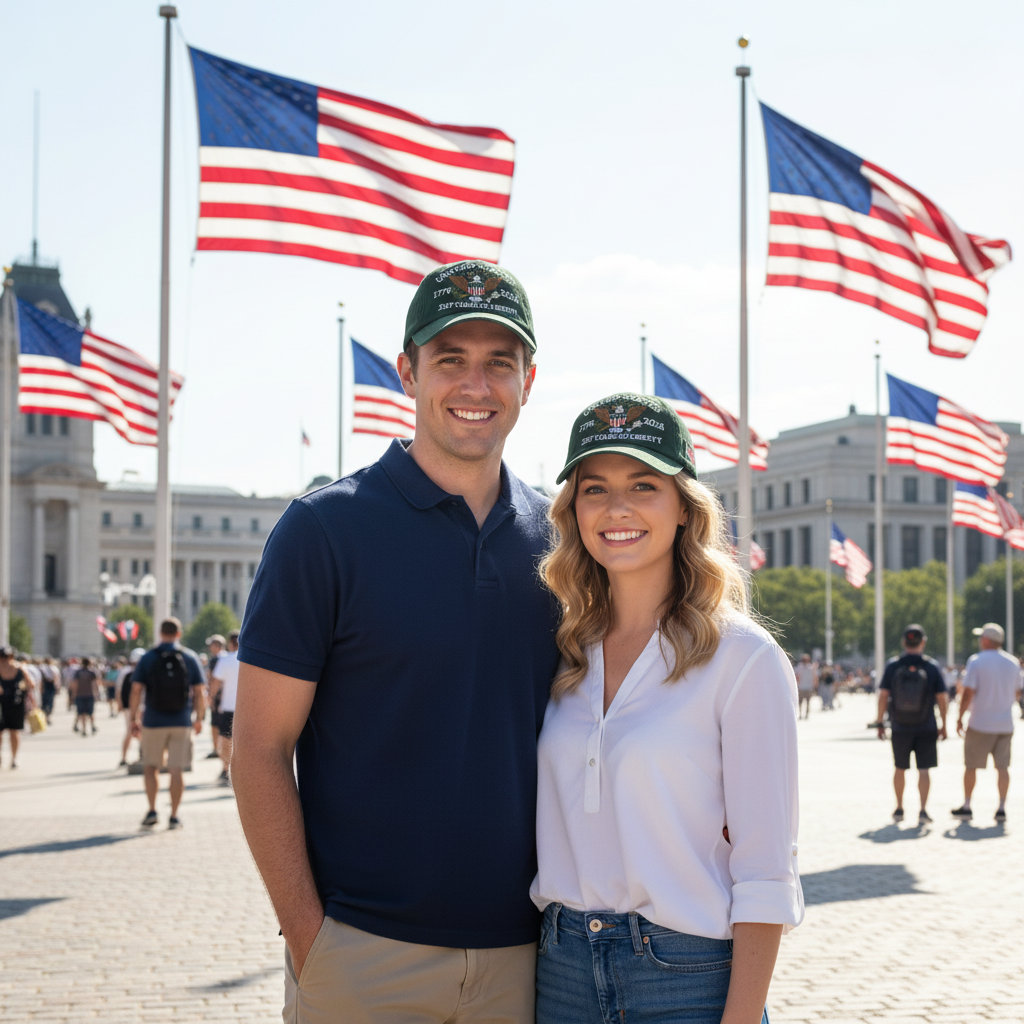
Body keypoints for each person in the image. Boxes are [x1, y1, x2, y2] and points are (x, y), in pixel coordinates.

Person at [232, 260, 559, 1024]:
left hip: (531, 959)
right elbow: (257, 749)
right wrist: (313, 938)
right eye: (451, 360)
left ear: (528, 380)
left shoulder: (563, 541)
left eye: (498, 364)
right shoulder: (322, 531)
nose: (475, 386)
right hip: (363, 956)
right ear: (408, 371)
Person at [531, 393, 802, 1024]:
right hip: (560, 969)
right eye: (594, 488)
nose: (617, 508)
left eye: (643, 484)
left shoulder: (743, 659)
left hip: (686, 978)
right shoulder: (563, 651)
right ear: (574, 512)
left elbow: (766, 872)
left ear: (684, 507)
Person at [129, 618, 206, 830]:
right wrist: (199, 718)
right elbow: (199, 692)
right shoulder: (189, 657)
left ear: (160, 633)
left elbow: (136, 689)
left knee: (151, 766)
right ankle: (174, 816)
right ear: (178, 634)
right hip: (181, 721)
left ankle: (152, 810)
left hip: (153, 721)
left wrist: (133, 718)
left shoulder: (148, 657)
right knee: (176, 769)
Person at [876, 624, 948, 824]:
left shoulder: (893, 665)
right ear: (922, 642)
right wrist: (944, 723)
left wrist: (880, 721)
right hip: (926, 726)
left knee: (900, 768)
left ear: (903, 642)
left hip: (899, 726)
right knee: (924, 769)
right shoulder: (931, 666)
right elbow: (942, 698)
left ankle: (899, 808)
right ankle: (923, 810)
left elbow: (883, 696)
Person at [951, 623, 1022, 823]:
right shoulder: (1012, 662)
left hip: (980, 722)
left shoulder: (977, 661)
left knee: (971, 766)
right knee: (1003, 767)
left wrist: (959, 717)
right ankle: (1001, 807)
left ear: (986, 640)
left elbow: (968, 693)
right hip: (1005, 723)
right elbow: (1017, 693)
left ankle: (967, 805)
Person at [208, 630, 239, 786]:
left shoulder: (226, 660)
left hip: (227, 706)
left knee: (225, 740)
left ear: (230, 643)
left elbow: (215, 683)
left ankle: (226, 769)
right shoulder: (251, 660)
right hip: (245, 707)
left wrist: (212, 699)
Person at [0, 647, 32, 768]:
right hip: (8, 704)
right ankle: (6, 757)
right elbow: (31, 685)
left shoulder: (20, 669)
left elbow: (30, 684)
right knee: (8, 732)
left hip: (15, 704)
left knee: (14, 732)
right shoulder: (19, 668)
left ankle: (14, 758)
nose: (4, 660)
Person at [117, 648, 145, 767]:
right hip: (133, 707)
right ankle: (124, 757)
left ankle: (142, 755)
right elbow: (120, 690)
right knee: (131, 732)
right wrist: (120, 704)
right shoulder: (127, 673)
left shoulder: (130, 672)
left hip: (141, 707)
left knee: (140, 732)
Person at [204, 634, 226, 760]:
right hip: (227, 697)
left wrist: (210, 697)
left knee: (215, 725)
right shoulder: (228, 657)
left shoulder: (215, 660)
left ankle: (216, 749)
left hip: (217, 696)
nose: (210, 648)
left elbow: (212, 678)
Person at [72, 658, 100, 737]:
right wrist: (97, 693)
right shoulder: (92, 672)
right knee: (90, 713)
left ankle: (84, 729)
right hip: (89, 694)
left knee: (82, 713)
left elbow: (75, 684)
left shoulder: (78, 672)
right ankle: (92, 726)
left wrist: (73, 694)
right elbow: (95, 684)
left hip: (80, 694)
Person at [794, 653, 817, 719]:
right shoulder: (799, 667)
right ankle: (801, 714)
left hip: (808, 687)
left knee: (808, 702)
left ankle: (806, 714)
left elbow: (814, 677)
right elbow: (796, 676)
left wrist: (814, 685)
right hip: (801, 687)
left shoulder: (811, 668)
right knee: (800, 702)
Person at [39, 658, 58, 724]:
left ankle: (44, 716)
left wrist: (40, 688)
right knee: (50, 702)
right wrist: (57, 687)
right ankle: (47, 716)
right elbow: (56, 679)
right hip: (50, 685)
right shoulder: (54, 668)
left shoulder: (42, 668)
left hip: (45, 685)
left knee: (44, 702)